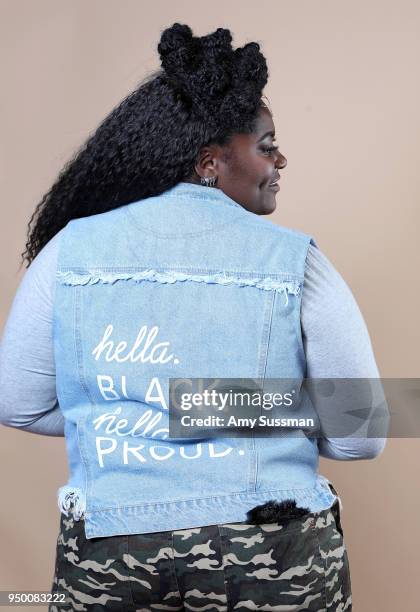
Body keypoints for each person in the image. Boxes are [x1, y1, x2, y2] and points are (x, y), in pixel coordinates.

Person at [0, 22, 387, 611]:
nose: (281, 159)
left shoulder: (68, 253)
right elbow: (362, 434)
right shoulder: (295, 261)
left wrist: (134, 415)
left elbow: (16, 402)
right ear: (210, 161)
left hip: (112, 550)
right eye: (266, 144)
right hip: (273, 550)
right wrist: (241, 408)